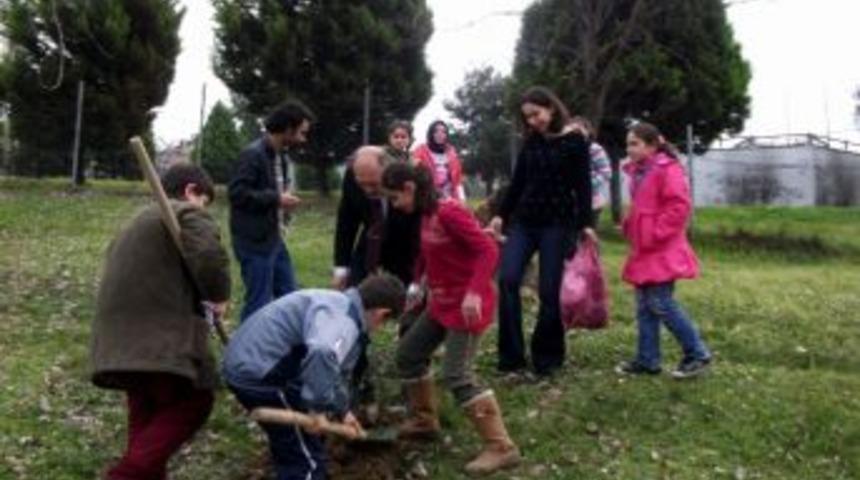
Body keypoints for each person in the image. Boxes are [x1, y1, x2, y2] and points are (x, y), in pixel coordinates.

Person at [90, 163, 231, 480]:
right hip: (158, 338)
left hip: (119, 340)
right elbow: (208, 255)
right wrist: (219, 295)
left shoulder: (134, 222)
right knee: (195, 402)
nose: (204, 208)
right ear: (191, 191)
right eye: (204, 201)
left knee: (147, 419)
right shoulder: (185, 212)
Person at [383, 162, 521, 476]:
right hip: (440, 303)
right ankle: (424, 420)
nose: (395, 205)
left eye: (395, 198)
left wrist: (474, 292)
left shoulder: (449, 211)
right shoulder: (427, 214)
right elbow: (428, 254)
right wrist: (417, 285)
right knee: (408, 355)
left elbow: (487, 250)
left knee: (456, 375)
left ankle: (502, 447)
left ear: (409, 188)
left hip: (467, 306)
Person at [222, 274, 406, 480]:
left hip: (257, 361)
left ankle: (287, 451)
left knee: (293, 436)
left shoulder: (342, 304)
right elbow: (322, 352)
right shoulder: (342, 322)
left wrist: (343, 411)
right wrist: (317, 409)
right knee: (307, 461)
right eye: (384, 324)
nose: (379, 329)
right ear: (382, 314)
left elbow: (331, 369)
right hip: (259, 375)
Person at [489, 86, 595, 377]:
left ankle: (547, 358)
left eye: (536, 114)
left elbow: (583, 186)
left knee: (549, 292)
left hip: (557, 225)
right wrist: (501, 215)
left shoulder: (575, 142)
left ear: (551, 107)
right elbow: (518, 182)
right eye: (528, 118)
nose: (533, 121)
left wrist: (586, 224)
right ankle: (511, 358)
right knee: (508, 280)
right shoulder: (532, 141)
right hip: (524, 222)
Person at [615, 122, 712, 379]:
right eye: (628, 144)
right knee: (644, 306)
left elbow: (679, 207)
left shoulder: (666, 169)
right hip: (645, 249)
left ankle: (697, 354)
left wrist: (655, 232)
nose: (629, 149)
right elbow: (642, 206)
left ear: (653, 144)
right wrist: (630, 225)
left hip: (663, 249)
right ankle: (648, 360)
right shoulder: (639, 171)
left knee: (660, 303)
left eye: (635, 143)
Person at [332, 145, 421, 405]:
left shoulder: (409, 178)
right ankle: (356, 377)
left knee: (411, 310)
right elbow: (347, 219)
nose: (368, 190)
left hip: (404, 248)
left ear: (388, 171)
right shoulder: (353, 177)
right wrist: (341, 266)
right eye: (363, 184)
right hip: (369, 245)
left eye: (374, 184)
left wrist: (418, 278)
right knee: (352, 306)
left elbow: (421, 228)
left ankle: (412, 378)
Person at [229, 100, 314, 321]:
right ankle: (243, 352)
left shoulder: (281, 156)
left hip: (273, 238)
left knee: (289, 295)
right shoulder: (253, 155)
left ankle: (283, 345)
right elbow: (237, 194)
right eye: (301, 133)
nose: (303, 139)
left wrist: (282, 199)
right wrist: (277, 199)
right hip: (254, 242)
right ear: (288, 128)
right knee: (258, 302)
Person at [571, 116, 612, 223]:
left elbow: (606, 172)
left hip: (591, 203)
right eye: (572, 131)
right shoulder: (563, 149)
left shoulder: (594, 149)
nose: (576, 134)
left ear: (588, 131)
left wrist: (586, 183)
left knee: (586, 237)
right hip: (567, 204)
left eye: (579, 130)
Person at [412, 120, 466, 201]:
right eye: (436, 131)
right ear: (431, 133)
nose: (440, 134)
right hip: (428, 198)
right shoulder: (420, 151)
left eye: (443, 132)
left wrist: (462, 199)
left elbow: (458, 180)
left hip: (450, 198)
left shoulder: (452, 153)